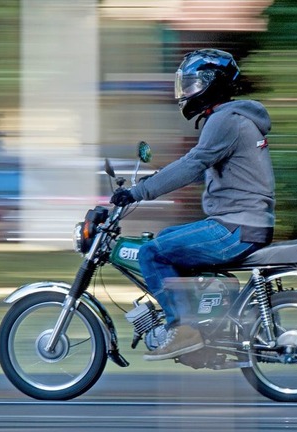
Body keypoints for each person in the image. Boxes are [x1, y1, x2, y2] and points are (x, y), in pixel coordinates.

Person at [110, 49, 275, 361]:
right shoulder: (235, 119)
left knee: (151, 251)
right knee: (168, 238)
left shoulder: (224, 120)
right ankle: (204, 325)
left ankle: (184, 329)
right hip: (244, 222)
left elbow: (192, 164)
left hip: (236, 227)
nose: (186, 92)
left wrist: (138, 192)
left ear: (211, 83)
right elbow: (197, 167)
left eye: (191, 83)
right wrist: (156, 180)